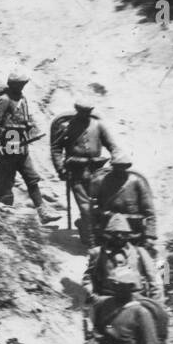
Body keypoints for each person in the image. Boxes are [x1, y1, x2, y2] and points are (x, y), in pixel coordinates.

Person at [0, 67, 59, 224]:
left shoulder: (22, 99)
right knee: (8, 178)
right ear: (14, 84)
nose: (23, 86)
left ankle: (43, 212)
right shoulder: (4, 100)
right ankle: (0, 213)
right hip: (10, 141)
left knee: (31, 177)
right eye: (21, 84)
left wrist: (29, 124)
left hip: (21, 142)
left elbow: (23, 119)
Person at [50, 98, 119, 246]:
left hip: (98, 172)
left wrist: (116, 157)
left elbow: (112, 145)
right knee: (85, 208)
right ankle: (90, 243)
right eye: (83, 112)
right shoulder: (67, 126)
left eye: (88, 112)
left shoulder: (98, 125)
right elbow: (56, 148)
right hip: (76, 172)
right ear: (78, 111)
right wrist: (60, 168)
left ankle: (86, 226)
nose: (86, 115)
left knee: (102, 207)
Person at [83, 215, 164, 304]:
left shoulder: (139, 252)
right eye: (115, 233)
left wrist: (156, 303)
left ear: (128, 235)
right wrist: (90, 291)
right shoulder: (98, 253)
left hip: (137, 298)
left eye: (123, 233)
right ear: (108, 234)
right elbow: (88, 277)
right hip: (108, 299)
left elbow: (154, 279)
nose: (119, 236)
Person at [88, 153, 158, 254]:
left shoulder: (137, 182)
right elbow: (92, 213)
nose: (120, 170)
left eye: (123, 167)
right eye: (117, 167)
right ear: (112, 166)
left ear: (127, 167)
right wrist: (92, 238)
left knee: (149, 263)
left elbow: (149, 211)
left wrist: (150, 235)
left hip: (134, 235)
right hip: (108, 236)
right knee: (95, 264)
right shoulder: (100, 182)